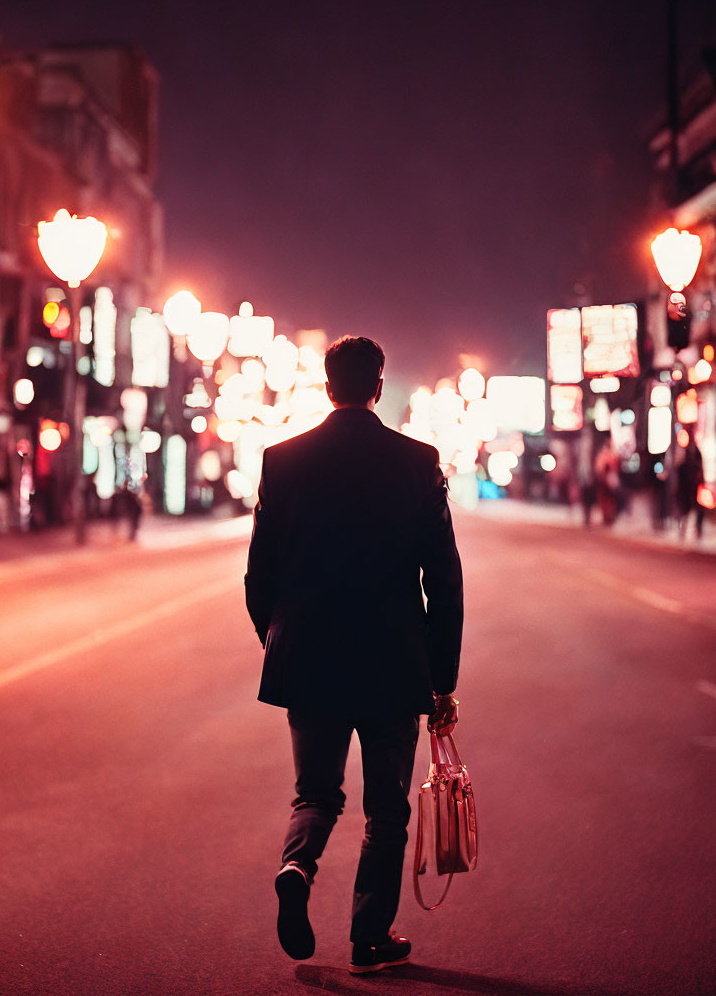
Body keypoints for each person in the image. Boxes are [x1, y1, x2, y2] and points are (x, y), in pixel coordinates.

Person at [245, 336, 464, 975]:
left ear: (326, 383)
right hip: (393, 661)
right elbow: (444, 580)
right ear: (377, 386)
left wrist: (278, 636)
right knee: (386, 805)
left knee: (315, 792)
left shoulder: (282, 461)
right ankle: (370, 936)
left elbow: (261, 575)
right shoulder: (417, 461)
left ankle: (297, 866)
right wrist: (441, 679)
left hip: (310, 654)